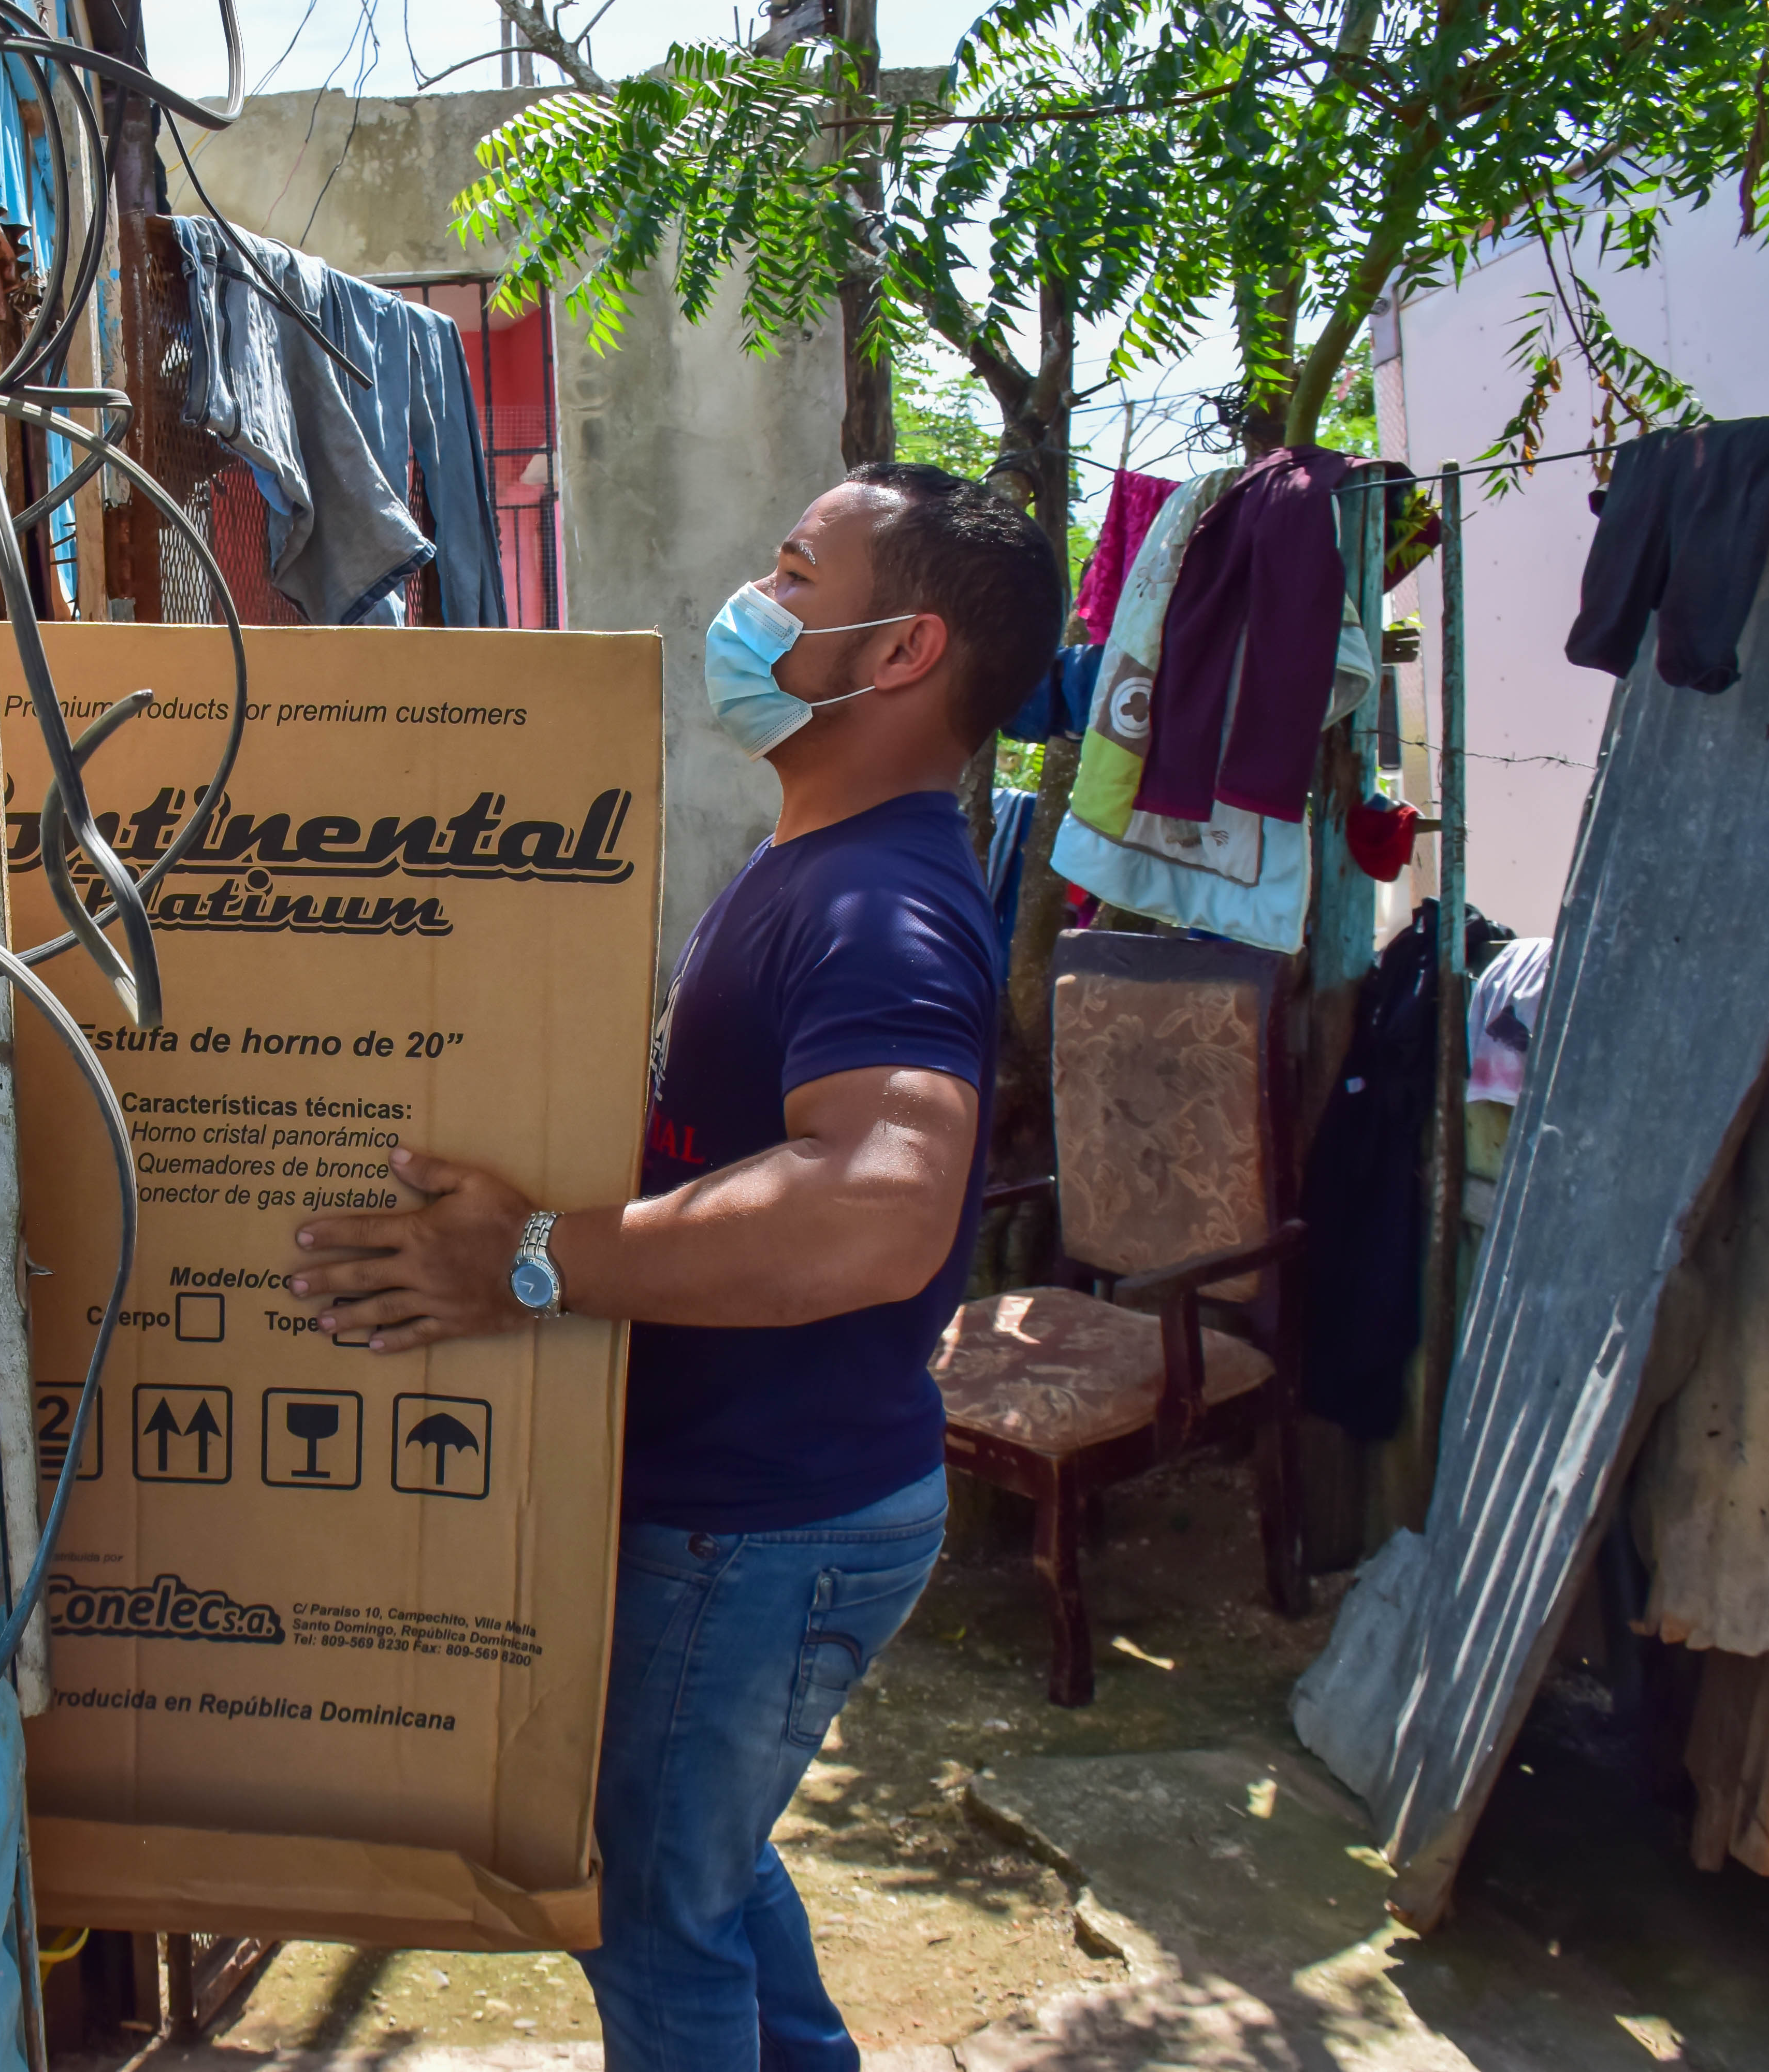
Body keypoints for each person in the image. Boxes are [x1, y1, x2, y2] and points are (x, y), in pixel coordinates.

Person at [287, 463, 1064, 2071]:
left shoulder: (882, 902)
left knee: (648, 1913)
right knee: (690, 1866)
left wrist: (532, 1261)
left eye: (794, 571)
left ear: (902, 649)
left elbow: (880, 1204)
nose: (751, 602)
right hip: (745, 1506)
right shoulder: (819, 860)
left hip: (759, 1524)